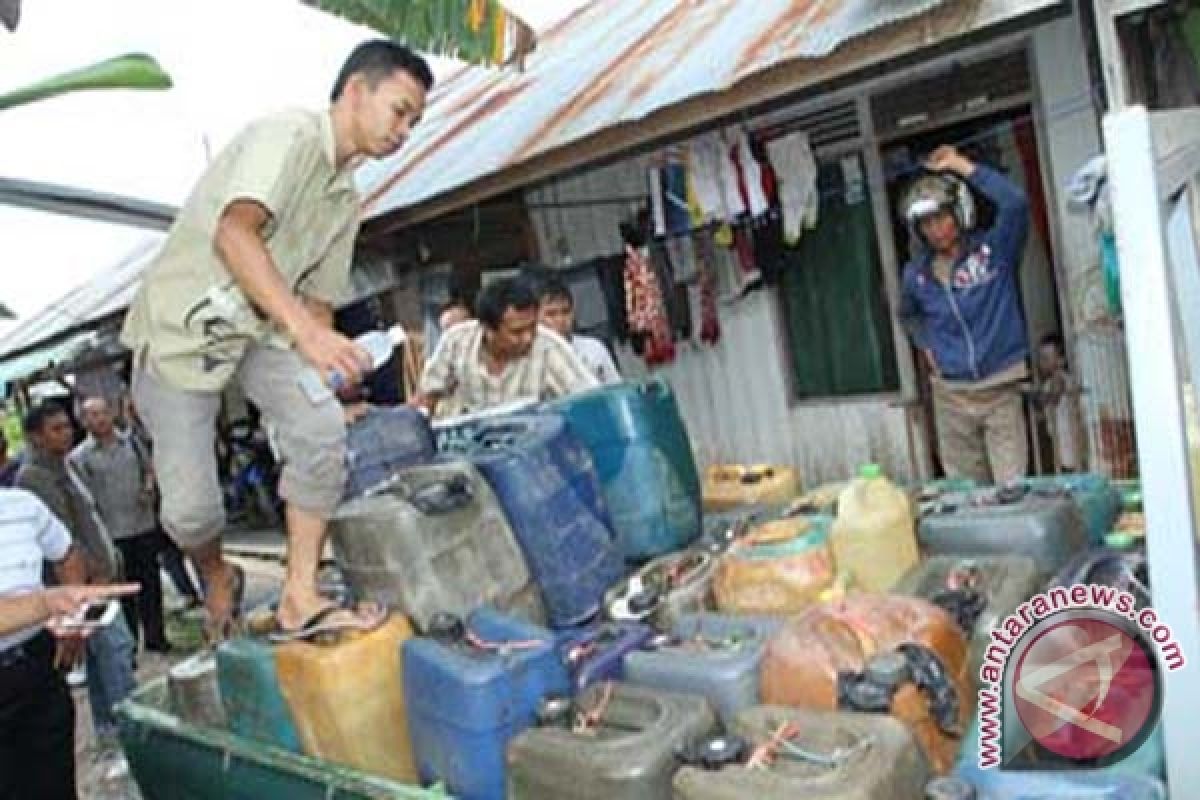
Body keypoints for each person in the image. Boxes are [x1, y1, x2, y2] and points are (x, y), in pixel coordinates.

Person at [119, 40, 434, 643]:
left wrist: (327, 371)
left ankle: (299, 596)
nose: (405, 131)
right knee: (190, 511)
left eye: (415, 122)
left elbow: (317, 300)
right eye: (400, 111)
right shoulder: (287, 137)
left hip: (263, 329)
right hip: (183, 333)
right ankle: (214, 571)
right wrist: (308, 332)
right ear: (355, 91)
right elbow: (234, 236)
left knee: (322, 431)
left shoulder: (345, 199)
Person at [899, 145, 1031, 485]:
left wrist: (962, 167)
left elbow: (1015, 203)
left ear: (960, 212)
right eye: (926, 222)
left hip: (1000, 388)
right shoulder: (916, 275)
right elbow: (908, 315)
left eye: (941, 216)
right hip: (951, 397)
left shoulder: (994, 251)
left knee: (1012, 490)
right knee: (965, 496)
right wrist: (926, 345)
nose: (935, 228)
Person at [15, 401, 137, 742]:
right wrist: (93, 578)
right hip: (81, 585)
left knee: (100, 659)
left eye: (67, 426)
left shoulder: (65, 465)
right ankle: (130, 731)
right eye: (56, 429)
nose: (67, 433)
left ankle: (110, 730)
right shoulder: (36, 477)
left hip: (96, 578)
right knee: (116, 651)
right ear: (36, 437)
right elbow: (64, 539)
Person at [0, 488, 102, 800]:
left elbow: (68, 554)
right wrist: (50, 602)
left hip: (36, 665)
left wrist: (72, 623)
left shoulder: (23, 505)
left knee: (52, 782)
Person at [413, 275, 599, 419]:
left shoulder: (549, 348)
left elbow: (590, 401)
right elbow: (427, 395)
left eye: (532, 327)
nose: (528, 338)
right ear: (488, 329)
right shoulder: (457, 341)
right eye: (516, 332)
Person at [71, 396, 171, 653]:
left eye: (103, 413)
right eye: (92, 415)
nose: (100, 419)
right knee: (123, 593)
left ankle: (156, 638)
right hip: (111, 534)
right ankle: (129, 645)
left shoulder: (133, 443)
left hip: (143, 525)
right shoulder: (80, 457)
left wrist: (149, 487)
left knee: (150, 584)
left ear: (112, 414)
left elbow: (150, 469)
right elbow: (83, 500)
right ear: (83, 421)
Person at [121, 394, 203, 610]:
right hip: (154, 508)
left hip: (178, 497)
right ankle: (189, 591)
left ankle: (207, 588)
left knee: (195, 545)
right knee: (169, 554)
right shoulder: (129, 441)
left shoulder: (166, 431)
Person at [536, 276, 622, 385]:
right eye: (551, 314)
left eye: (565, 311)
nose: (560, 320)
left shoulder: (594, 348)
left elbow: (616, 387)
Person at [1036, 333, 1087, 473]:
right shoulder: (1047, 383)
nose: (1042, 363)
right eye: (1041, 358)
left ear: (1061, 360)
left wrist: (1036, 396)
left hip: (1069, 438)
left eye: (1046, 358)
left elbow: (1054, 396)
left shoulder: (1061, 379)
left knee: (1072, 467)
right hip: (1060, 438)